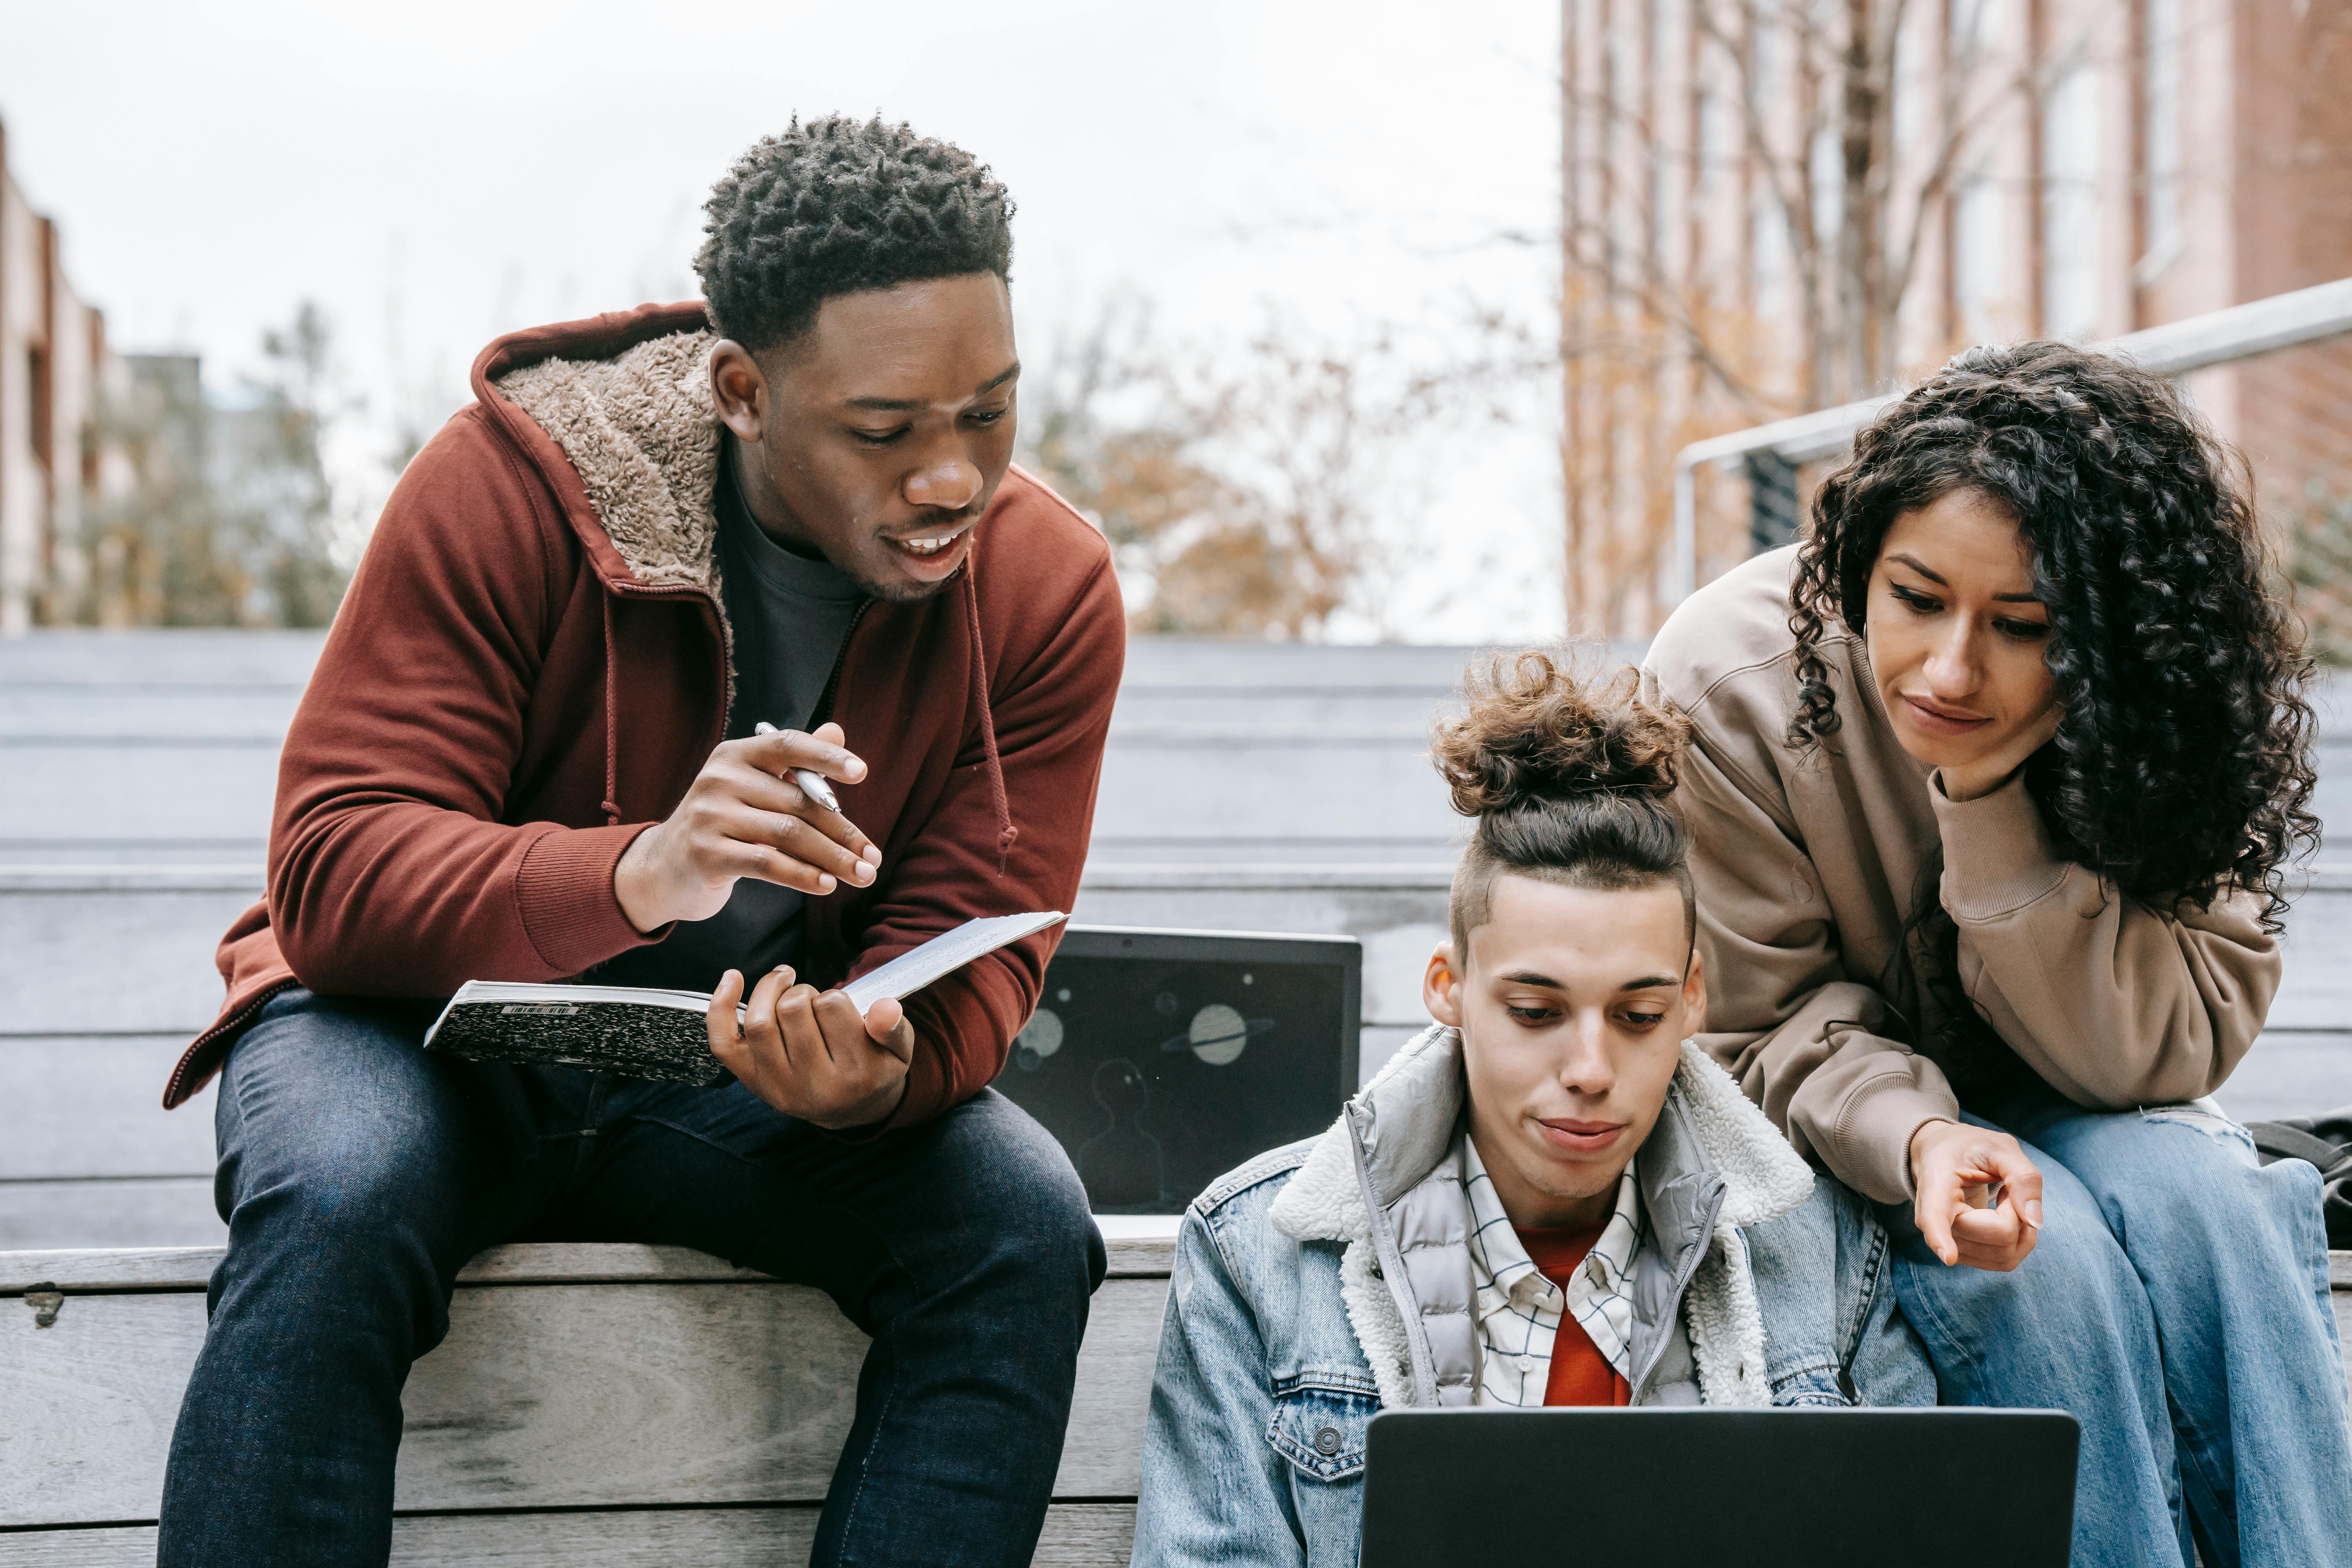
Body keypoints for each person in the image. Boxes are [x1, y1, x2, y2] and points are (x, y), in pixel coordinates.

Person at [154, 116, 1125, 1568]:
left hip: (712, 1079)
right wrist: (637, 872)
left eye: (989, 411)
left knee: (1023, 1222)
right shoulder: (511, 483)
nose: (951, 479)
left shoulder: (1048, 586)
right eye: (886, 430)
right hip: (407, 1036)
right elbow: (334, 869)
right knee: (342, 1193)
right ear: (743, 389)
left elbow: (983, 934)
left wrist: (880, 1076)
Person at [1645, 341, 2352, 1564]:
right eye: (1916, 601)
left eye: (2022, 627)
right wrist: (1922, 1136)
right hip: (1851, 1144)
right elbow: (1750, 1026)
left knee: (2209, 1206)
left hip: (2104, 1102)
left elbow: (2172, 1046)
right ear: (1859, 566)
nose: (1952, 669)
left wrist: (1985, 803)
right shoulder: (1726, 681)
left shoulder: (2165, 695)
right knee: (2038, 1256)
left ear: (2107, 639)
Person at [1129, 653, 1933, 1567]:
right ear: (1448, 988)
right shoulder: (1258, 1254)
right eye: (1536, 1012)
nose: (1591, 1069)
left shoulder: (1821, 1252)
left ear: (1695, 998)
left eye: (1639, 1015)